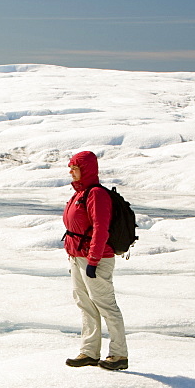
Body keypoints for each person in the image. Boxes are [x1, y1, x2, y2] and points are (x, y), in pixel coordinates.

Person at [62, 151, 129, 371]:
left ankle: (119, 355)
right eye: (70, 167)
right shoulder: (79, 193)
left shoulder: (96, 194)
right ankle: (90, 352)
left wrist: (93, 260)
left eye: (75, 167)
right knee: (86, 305)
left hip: (95, 259)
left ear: (86, 169)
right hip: (78, 257)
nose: (71, 171)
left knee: (106, 305)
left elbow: (101, 229)